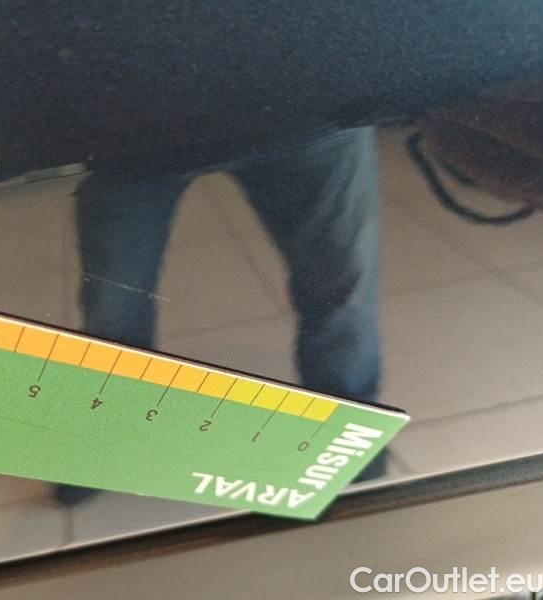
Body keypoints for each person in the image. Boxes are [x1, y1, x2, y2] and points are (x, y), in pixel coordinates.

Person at [58, 125, 384, 504]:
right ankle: (113, 428)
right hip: (136, 128)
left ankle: (347, 428)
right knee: (112, 303)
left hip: (304, 116)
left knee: (341, 284)